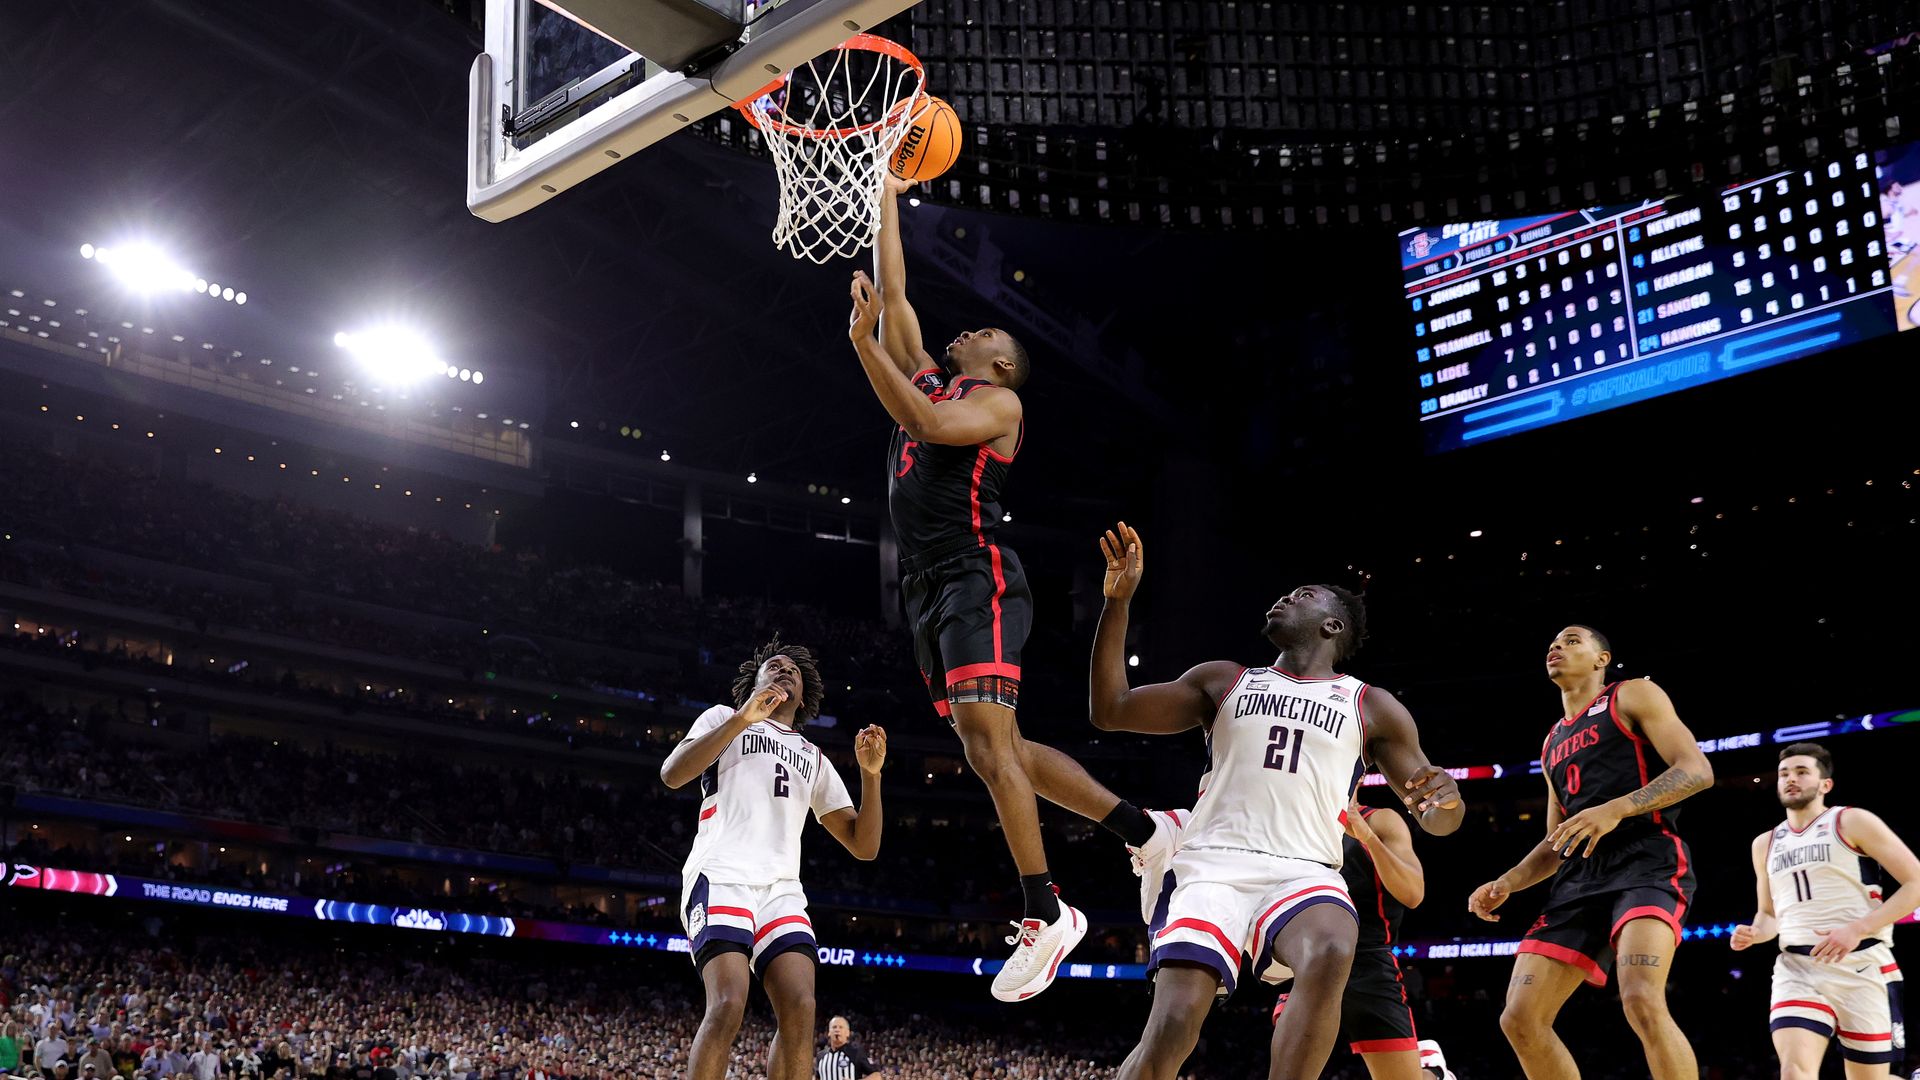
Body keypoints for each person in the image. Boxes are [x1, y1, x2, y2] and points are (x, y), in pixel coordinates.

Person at [844, 183, 1167, 1002]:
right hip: (929, 592)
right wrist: (884, 193)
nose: (972, 328)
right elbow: (897, 291)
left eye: (988, 330)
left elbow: (922, 424)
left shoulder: (998, 402)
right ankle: (1144, 830)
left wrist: (862, 348)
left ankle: (1045, 911)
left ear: (1000, 364)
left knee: (987, 750)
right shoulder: (933, 374)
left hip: (976, 573)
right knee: (1007, 751)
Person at [1088, 522, 1463, 1080]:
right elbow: (1111, 709)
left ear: (1333, 625)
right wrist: (1116, 604)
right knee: (1171, 1030)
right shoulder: (1222, 680)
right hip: (1212, 865)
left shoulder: (1371, 706)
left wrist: (1447, 800)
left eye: (1304, 595)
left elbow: (1436, 820)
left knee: (1336, 943)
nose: (1286, 597)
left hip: (1303, 871)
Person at [1468, 626, 1712, 1080]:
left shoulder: (1633, 694)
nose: (1556, 647)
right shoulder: (1551, 742)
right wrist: (1509, 881)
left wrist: (1616, 809)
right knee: (1519, 1020)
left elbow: (1696, 770)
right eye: (1553, 643)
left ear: (1602, 659)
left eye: (1572, 640)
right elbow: (1555, 842)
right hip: (1579, 878)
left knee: (1640, 998)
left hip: (1645, 860)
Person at [659, 640, 887, 1080]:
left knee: (801, 1008)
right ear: (755, 682)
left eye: (794, 672)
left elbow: (865, 845)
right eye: (774, 666)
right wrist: (744, 716)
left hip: (781, 889)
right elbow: (672, 774)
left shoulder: (813, 757)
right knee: (727, 1003)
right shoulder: (723, 718)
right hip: (723, 873)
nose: (784, 671)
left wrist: (871, 776)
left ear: (803, 697)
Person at [1732, 742, 1920, 1076]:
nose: (1791, 779)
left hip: (1862, 964)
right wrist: (1755, 932)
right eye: (1784, 773)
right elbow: (1770, 914)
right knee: (1794, 1071)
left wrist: (1857, 929)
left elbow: (1916, 882)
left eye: (1802, 772)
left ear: (1825, 784)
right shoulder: (1765, 843)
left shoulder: (1852, 821)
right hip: (1798, 968)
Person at [1269, 797, 1432, 1080]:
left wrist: (1367, 837)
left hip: (1369, 962)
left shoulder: (1380, 820)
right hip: (1310, 964)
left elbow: (1413, 893)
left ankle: (1435, 1073)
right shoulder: (1293, 822)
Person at [813, 1017, 880, 1080]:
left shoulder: (856, 1053)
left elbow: (877, 1076)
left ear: (847, 1033)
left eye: (841, 1027)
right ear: (829, 1033)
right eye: (834, 1027)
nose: (837, 1030)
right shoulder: (820, 1056)